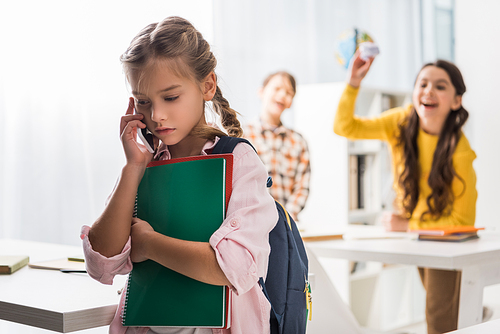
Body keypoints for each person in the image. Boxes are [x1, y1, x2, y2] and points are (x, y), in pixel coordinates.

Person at [81, 16, 278, 334]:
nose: (156, 115)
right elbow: (102, 264)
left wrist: (148, 243)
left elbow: (235, 267)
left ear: (207, 86)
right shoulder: (144, 165)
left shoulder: (238, 160)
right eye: (143, 102)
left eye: (170, 97)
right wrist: (132, 168)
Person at [334, 52, 477, 334]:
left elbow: (462, 221)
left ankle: (470, 317)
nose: (428, 91)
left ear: (456, 100)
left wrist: (407, 225)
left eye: (440, 86)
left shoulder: (460, 149)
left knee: (439, 320)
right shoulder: (400, 121)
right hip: (417, 236)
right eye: (422, 83)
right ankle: (469, 315)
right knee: (440, 310)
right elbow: (345, 127)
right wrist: (353, 84)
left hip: (445, 243)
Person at [243, 71, 311, 221]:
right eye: (277, 88)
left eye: (289, 93)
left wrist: (287, 217)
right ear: (261, 92)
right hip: (249, 222)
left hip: (286, 224)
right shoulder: (241, 135)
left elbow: (302, 186)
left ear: (291, 102)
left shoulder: (298, 141)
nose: (282, 95)